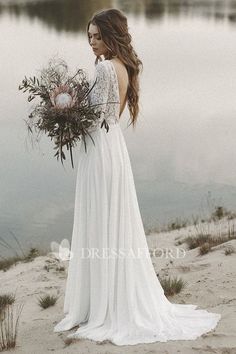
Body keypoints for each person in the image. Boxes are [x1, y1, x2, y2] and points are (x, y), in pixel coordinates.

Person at [53, 8, 221, 346]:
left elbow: (94, 119)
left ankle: (101, 308)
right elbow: (108, 115)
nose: (92, 42)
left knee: (100, 219)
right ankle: (109, 299)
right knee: (112, 221)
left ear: (111, 36)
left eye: (97, 36)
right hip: (113, 147)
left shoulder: (103, 69)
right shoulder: (124, 67)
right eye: (89, 36)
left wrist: (63, 115)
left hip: (99, 148)